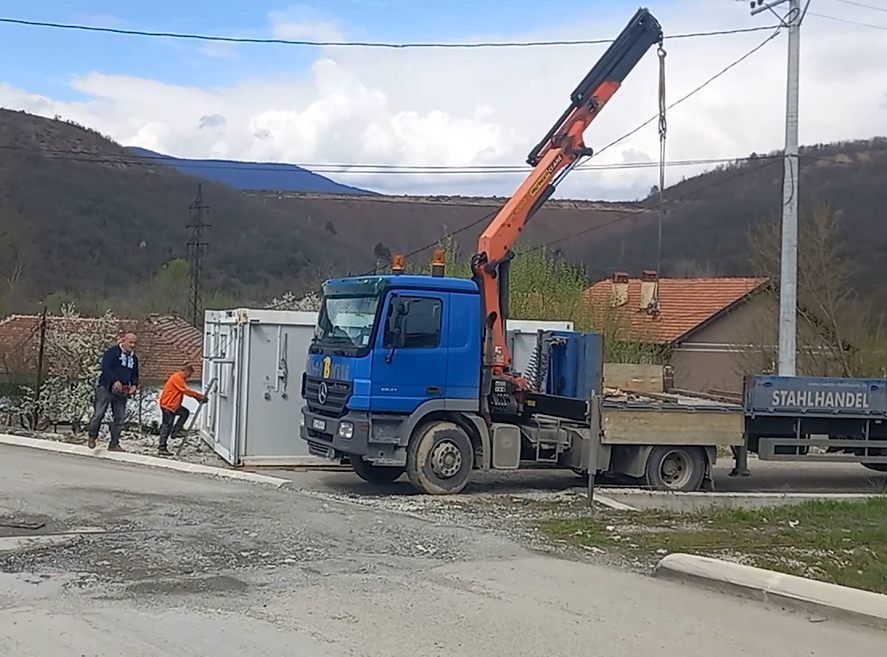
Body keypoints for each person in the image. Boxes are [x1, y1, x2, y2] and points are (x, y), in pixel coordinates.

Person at [87, 332, 139, 451]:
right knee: (98, 414)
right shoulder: (112, 353)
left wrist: (134, 385)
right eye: (130, 342)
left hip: (122, 392)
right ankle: (92, 436)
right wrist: (114, 380)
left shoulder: (134, 358)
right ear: (123, 341)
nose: (132, 345)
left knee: (120, 418)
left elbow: (135, 374)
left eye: (134, 343)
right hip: (106, 387)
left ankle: (114, 443)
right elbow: (105, 368)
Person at [157, 363, 207, 456]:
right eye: (189, 374)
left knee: (185, 413)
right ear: (186, 371)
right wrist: (199, 396)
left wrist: (197, 397)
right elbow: (185, 390)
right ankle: (162, 447)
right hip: (168, 405)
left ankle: (176, 431)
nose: (189, 377)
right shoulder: (177, 378)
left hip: (173, 405)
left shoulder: (178, 378)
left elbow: (185, 391)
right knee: (167, 426)